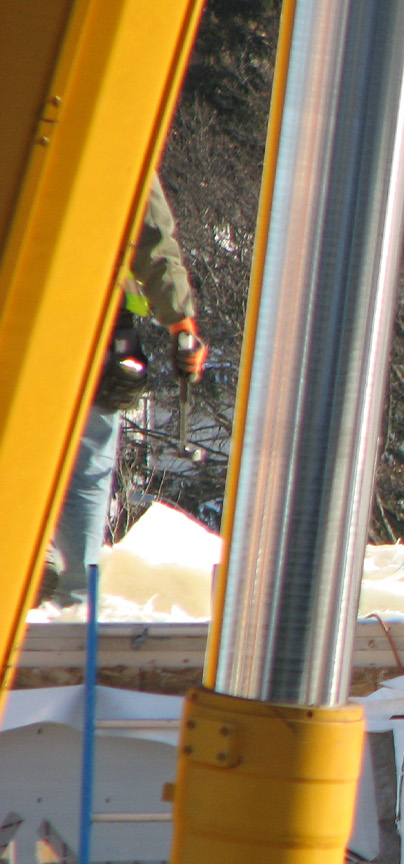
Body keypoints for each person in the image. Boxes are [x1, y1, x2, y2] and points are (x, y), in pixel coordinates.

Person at [39, 173, 207, 608]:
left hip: (41, 316)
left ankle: (35, 564)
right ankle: (73, 605)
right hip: (97, 324)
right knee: (88, 469)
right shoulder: (119, 129)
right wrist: (180, 323)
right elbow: (152, 237)